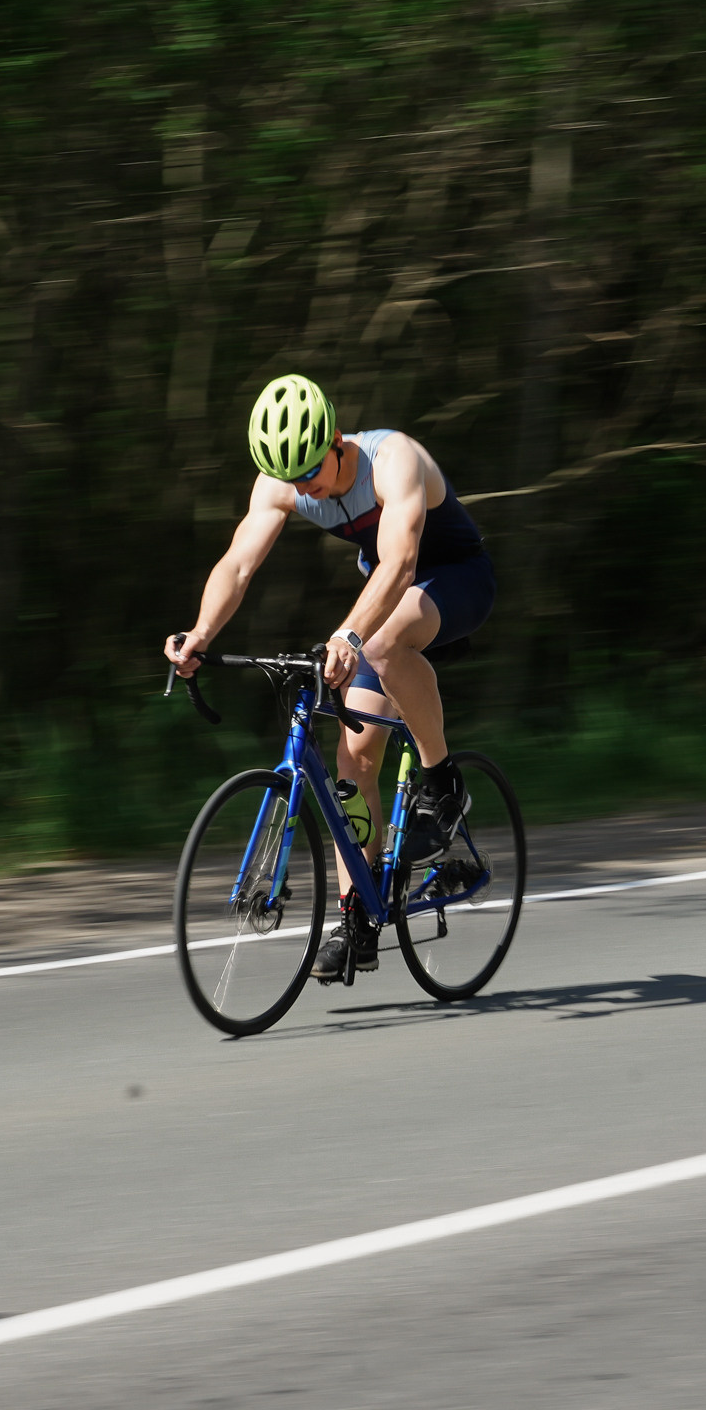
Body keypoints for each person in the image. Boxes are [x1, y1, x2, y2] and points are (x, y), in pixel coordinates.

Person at [164, 374, 497, 981]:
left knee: (382, 641)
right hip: (389, 600)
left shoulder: (394, 460)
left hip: (455, 579)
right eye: (291, 479)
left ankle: (443, 783)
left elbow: (399, 562)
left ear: (337, 440)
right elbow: (239, 564)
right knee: (354, 765)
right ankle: (358, 920)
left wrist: (347, 634)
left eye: (311, 471)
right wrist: (201, 634)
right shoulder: (283, 484)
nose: (303, 487)